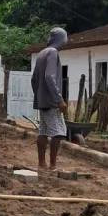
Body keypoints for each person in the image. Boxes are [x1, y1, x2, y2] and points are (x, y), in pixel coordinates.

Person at [31, 27, 69, 172]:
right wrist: (59, 99)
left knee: (43, 131)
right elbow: (49, 76)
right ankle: (53, 165)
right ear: (61, 39)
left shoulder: (42, 53)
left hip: (42, 100)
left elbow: (34, 79)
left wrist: (39, 95)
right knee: (59, 131)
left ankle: (42, 164)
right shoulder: (53, 53)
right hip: (52, 101)